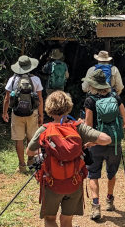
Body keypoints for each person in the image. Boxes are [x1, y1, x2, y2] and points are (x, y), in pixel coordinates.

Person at [27, 91, 111, 227]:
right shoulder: (78, 127)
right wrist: (90, 143)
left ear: (49, 109)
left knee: (49, 219)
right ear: (68, 107)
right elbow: (106, 139)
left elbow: (29, 151)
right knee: (66, 220)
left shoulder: (44, 129)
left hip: (52, 183)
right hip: (74, 183)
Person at [81, 69, 125, 221]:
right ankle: (110, 199)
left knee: (93, 174)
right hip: (114, 143)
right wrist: (113, 133)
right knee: (112, 172)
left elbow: (88, 126)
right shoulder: (116, 97)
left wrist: (90, 141)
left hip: (96, 144)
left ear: (92, 85)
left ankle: (96, 205)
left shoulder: (90, 101)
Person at [2, 55, 44, 173]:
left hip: (17, 113)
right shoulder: (36, 80)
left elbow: (7, 98)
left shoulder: (12, 79)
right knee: (32, 137)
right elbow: (40, 99)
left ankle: (21, 165)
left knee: (18, 139)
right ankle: (31, 159)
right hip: (32, 113)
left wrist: (5, 112)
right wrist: (41, 115)